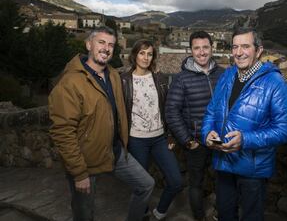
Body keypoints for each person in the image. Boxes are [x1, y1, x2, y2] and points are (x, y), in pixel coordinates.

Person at [49, 26, 155, 221]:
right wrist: (79, 173)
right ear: (89, 44)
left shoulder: (113, 74)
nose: (106, 48)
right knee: (84, 212)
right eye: (101, 42)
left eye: (111, 45)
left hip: (116, 152)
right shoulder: (70, 83)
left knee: (146, 184)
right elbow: (63, 132)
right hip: (86, 161)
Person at [201, 27, 287, 221]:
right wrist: (207, 133)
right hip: (223, 163)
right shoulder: (227, 75)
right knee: (225, 213)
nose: (238, 52)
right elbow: (211, 111)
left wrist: (245, 140)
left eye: (245, 46)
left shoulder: (275, 83)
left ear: (258, 50)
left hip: (253, 168)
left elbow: (285, 130)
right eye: (235, 46)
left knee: (252, 216)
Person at [120, 40, 183, 220]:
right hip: (136, 140)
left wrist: (171, 135)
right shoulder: (123, 80)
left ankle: (159, 212)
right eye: (142, 53)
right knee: (141, 184)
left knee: (176, 181)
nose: (146, 57)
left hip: (159, 139)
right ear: (134, 55)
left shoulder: (160, 78)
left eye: (149, 54)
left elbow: (169, 108)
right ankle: (144, 212)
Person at [165, 31, 224, 221]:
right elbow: (171, 111)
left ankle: (220, 214)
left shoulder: (223, 74)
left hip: (220, 140)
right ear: (191, 50)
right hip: (196, 141)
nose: (201, 52)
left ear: (212, 48)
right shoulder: (181, 79)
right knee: (196, 184)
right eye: (197, 48)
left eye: (205, 47)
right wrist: (188, 141)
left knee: (224, 181)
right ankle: (199, 217)